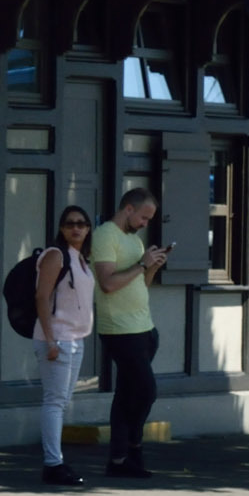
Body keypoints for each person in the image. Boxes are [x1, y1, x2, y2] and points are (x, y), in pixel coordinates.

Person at [90, 189, 171, 478]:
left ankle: (120, 459)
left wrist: (151, 267)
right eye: (143, 216)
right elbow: (108, 283)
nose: (145, 223)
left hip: (144, 327)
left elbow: (141, 283)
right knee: (146, 391)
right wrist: (141, 265)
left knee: (127, 394)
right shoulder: (105, 235)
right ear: (128, 209)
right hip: (120, 330)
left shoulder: (134, 241)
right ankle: (133, 447)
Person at [35, 206, 96, 487]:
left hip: (75, 338)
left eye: (82, 224)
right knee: (54, 402)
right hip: (57, 337)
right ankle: (53, 464)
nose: (76, 228)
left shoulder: (81, 259)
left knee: (62, 401)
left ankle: (56, 461)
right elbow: (42, 296)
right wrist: (50, 339)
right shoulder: (56, 255)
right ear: (61, 228)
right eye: (70, 224)